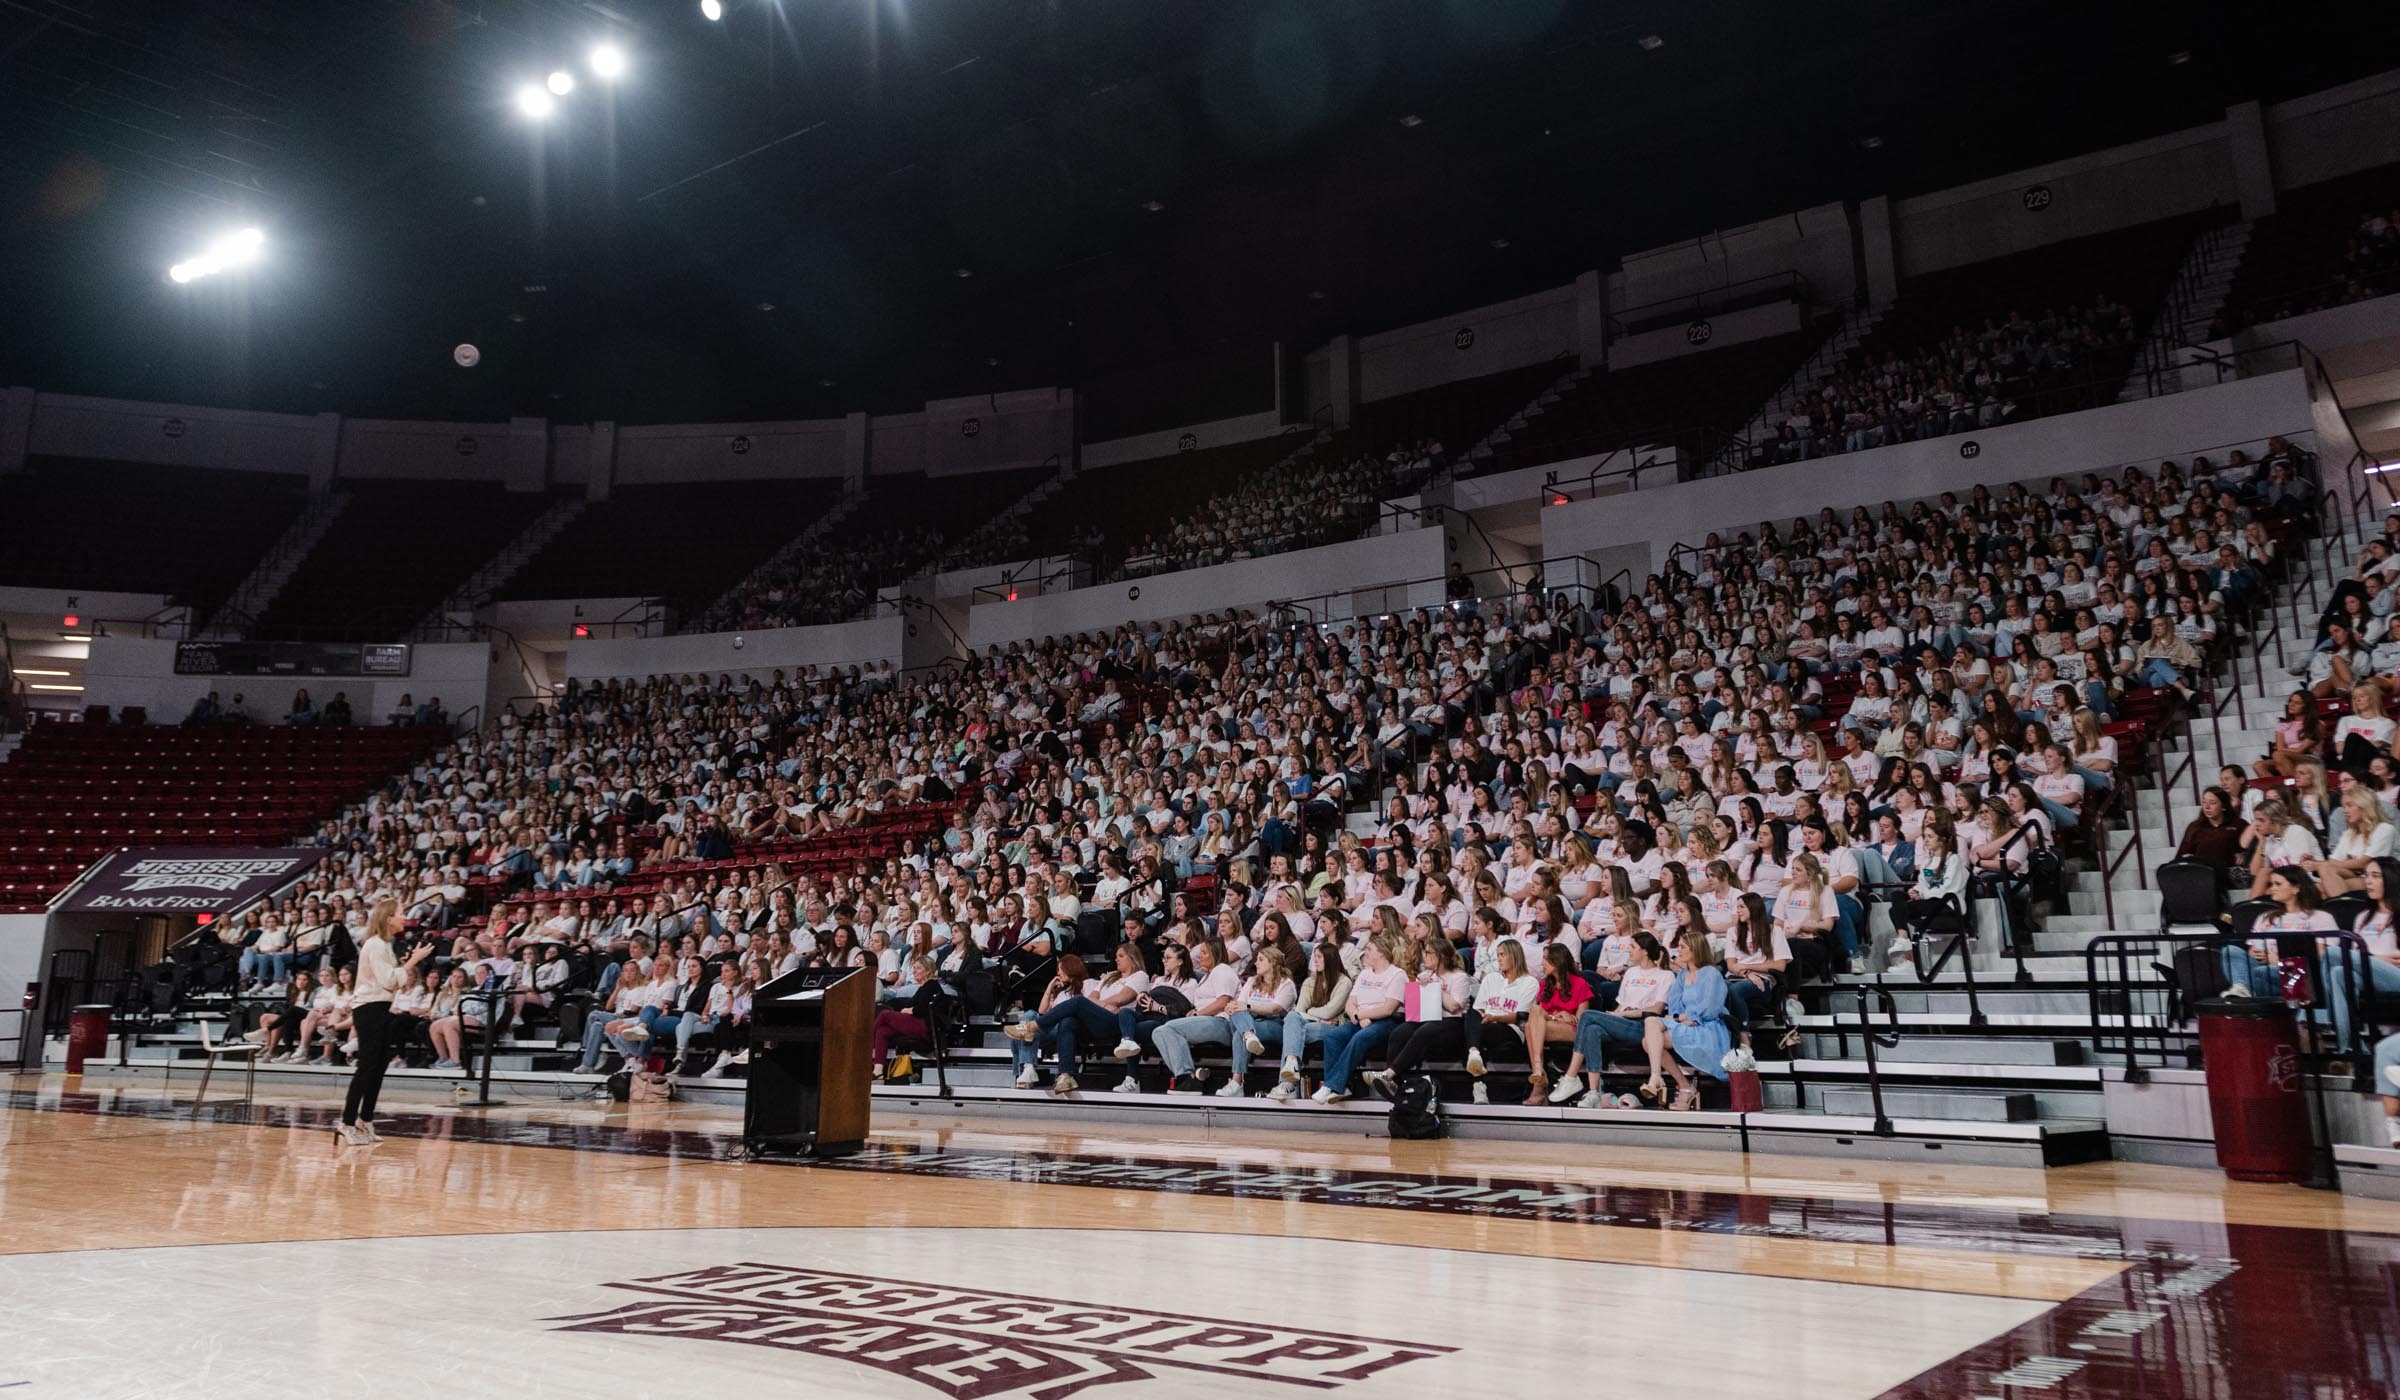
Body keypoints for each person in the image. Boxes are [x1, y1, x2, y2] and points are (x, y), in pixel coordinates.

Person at [339, 897, 430, 1146]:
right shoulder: (376, 944)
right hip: (369, 1010)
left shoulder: (384, 945)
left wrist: (401, 966)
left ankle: (365, 1119)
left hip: (379, 1008)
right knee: (367, 1066)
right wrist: (413, 961)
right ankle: (346, 1122)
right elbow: (389, 981)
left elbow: (388, 978)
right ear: (388, 918)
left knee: (379, 1066)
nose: (404, 917)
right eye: (401, 913)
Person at [1552, 932, 1672, 1108]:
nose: (1628, 951)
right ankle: (1594, 1092)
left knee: (1587, 1015)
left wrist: (1621, 1016)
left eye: (1632, 947)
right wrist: (1612, 1016)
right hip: (1621, 1020)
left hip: (1644, 1026)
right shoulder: (1631, 973)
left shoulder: (1665, 975)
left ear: (1645, 951)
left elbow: (1656, 1009)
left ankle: (1571, 1076)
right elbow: (1621, 1005)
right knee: (1592, 1030)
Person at [1362, 936, 1472, 1100]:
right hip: (1428, 1018)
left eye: (1428, 952)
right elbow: (1415, 1006)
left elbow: (1454, 1006)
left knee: (1425, 1031)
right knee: (1399, 1033)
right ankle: (1394, 1084)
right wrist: (1421, 985)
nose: (1424, 956)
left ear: (1440, 956)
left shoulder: (1459, 977)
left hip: (1453, 1023)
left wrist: (1436, 987)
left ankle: (1389, 1074)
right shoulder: (1425, 975)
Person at [1310, 931, 1410, 1103]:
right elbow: (1350, 1002)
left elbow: (1388, 1008)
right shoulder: (1365, 974)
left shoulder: (1397, 974)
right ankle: (1341, 1087)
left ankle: (1332, 1085)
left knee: (1360, 1038)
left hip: (1386, 1022)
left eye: (1369, 949)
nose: (1365, 953)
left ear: (1381, 952)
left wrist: (1362, 1014)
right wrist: (1358, 1015)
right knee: (1333, 1037)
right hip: (1359, 1019)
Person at [1647, 928, 1732, 1110]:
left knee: (1650, 1041)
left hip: (1708, 1027)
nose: (1679, 951)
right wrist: (1681, 1018)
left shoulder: (1711, 973)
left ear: (1695, 949)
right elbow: (1675, 1007)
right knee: (1650, 1027)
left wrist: (1686, 1017)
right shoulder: (1682, 976)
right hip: (1687, 1025)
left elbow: (1711, 1007)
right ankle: (1662, 1078)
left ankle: (1675, 1085)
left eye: (1683, 947)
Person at [1266, 943, 1354, 1100]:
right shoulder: (1309, 982)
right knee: (1292, 1018)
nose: (1315, 961)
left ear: (1330, 959)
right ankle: (1291, 1064)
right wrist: (1319, 1018)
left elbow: (1330, 1011)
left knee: (1293, 1031)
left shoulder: (1344, 982)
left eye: (1319, 957)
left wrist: (1310, 1013)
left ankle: (1287, 1084)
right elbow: (1299, 1011)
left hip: (1334, 1028)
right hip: (1313, 1026)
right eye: (1315, 957)